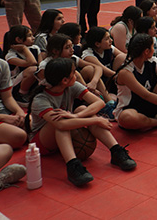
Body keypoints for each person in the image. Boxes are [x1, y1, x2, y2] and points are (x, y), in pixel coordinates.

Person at [26, 57, 136, 186]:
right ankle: (72, 165)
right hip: (41, 143)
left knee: (83, 109)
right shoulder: (40, 99)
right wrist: (95, 120)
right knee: (62, 121)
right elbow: (60, 124)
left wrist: (78, 115)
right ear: (65, 80)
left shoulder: (70, 86)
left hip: (62, 132)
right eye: (74, 73)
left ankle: (116, 151)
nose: (76, 75)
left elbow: (99, 102)